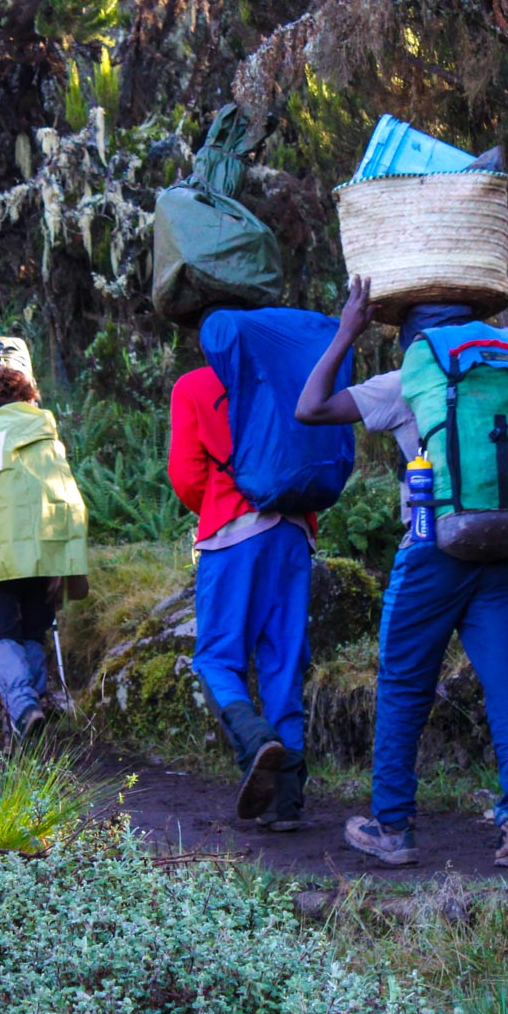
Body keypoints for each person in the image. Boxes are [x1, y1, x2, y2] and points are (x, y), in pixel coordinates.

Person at [296, 277, 508, 870]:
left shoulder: (410, 380)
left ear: (414, 335)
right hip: (505, 543)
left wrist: (346, 332)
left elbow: (310, 406)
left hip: (434, 546)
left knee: (403, 682)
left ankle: (393, 827)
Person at [168, 352, 314, 829]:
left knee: (215, 659)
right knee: (282, 664)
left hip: (233, 530)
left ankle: (255, 741)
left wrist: (215, 506)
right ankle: (285, 803)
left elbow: (187, 476)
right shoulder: (289, 375)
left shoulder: (195, 384)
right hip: (296, 530)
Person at [0, 366, 88, 738]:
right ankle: (34, 707)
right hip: (45, 546)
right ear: (27, 396)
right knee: (34, 629)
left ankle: (23, 708)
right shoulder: (45, 434)